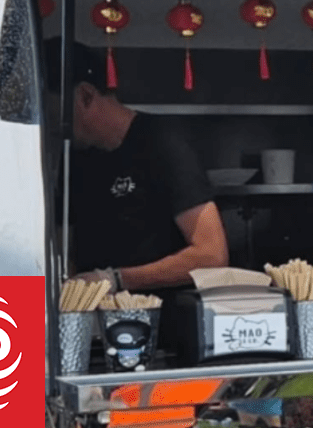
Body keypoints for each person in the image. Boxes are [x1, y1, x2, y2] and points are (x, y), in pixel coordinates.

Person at [44, 39, 228, 299]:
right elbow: (67, 249)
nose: (50, 126)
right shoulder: (75, 156)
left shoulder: (162, 142)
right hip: (94, 317)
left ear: (85, 95)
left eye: (52, 114)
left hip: (164, 315)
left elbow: (212, 255)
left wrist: (115, 279)